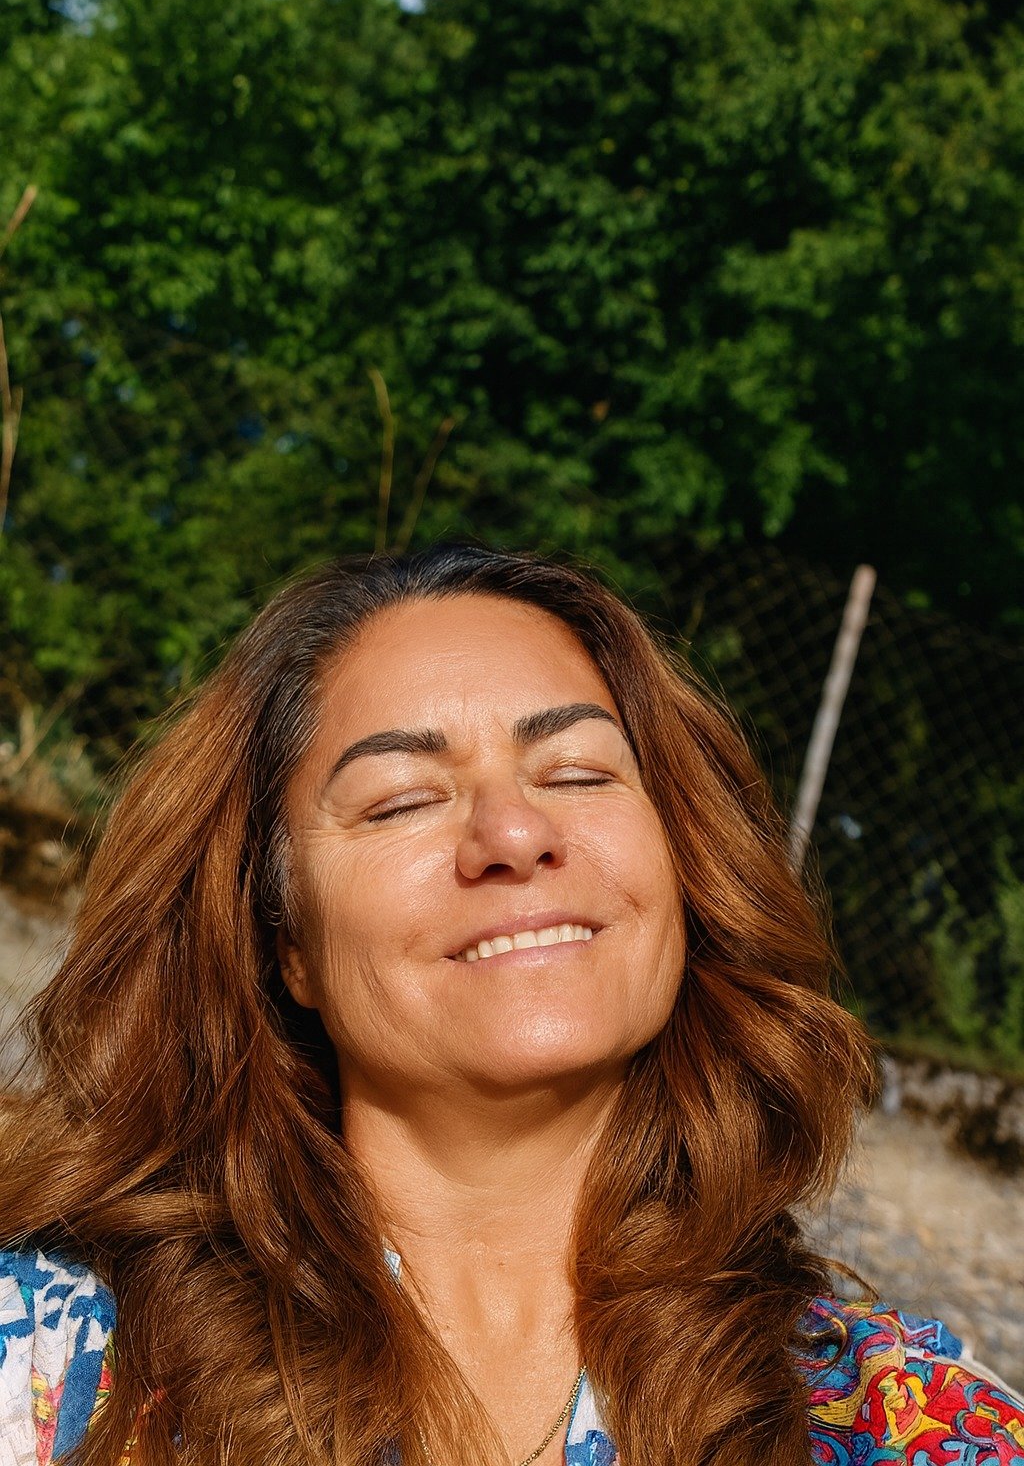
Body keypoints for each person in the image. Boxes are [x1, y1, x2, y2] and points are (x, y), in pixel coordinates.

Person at [0, 544, 1020, 1466]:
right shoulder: (49, 1365)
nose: (513, 831)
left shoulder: (910, 1427)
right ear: (288, 944)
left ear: (685, 869)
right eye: (402, 798)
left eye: (577, 772)